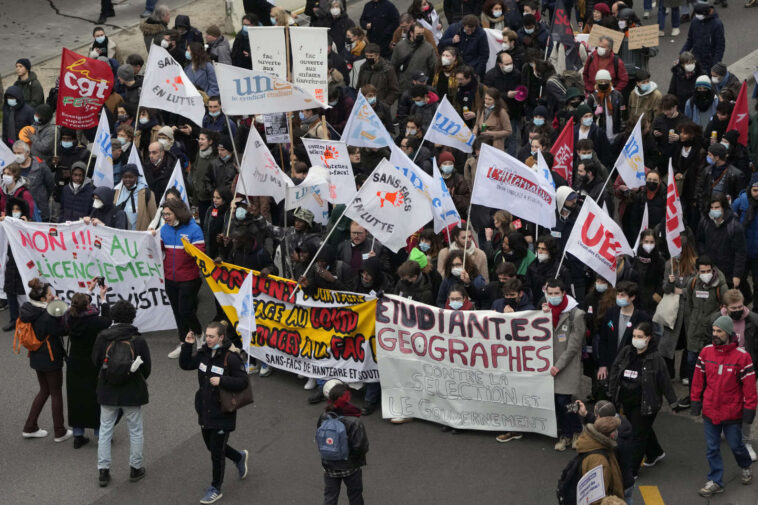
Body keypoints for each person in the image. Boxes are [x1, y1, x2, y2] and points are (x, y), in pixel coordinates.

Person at [180, 323, 249, 505]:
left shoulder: (231, 358)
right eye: (207, 336)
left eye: (211, 336)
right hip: (204, 410)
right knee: (212, 447)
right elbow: (185, 364)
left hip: (222, 412)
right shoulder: (203, 353)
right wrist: (187, 345)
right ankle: (238, 456)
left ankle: (215, 488)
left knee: (216, 453)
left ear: (221, 337)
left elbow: (243, 381)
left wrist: (222, 381)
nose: (207, 339)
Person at [691, 315, 755, 496]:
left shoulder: (742, 357)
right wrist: (695, 402)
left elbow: (750, 389)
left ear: (728, 332)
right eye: (713, 330)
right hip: (710, 410)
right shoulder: (706, 352)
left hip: (732, 412)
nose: (715, 334)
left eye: (719, 331)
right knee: (712, 448)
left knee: (736, 445)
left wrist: (749, 412)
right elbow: (697, 380)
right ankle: (715, 480)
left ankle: (745, 465)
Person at [92, 300, 151, 487]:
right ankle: (135, 468)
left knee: (105, 430)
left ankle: (103, 471)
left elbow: (95, 361)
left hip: (108, 391)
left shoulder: (103, 337)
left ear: (113, 316)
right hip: (132, 392)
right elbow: (147, 368)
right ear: (132, 316)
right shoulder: (138, 340)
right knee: (135, 431)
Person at [608, 322, 678, 477]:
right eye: (634, 336)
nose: (636, 339)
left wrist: (673, 402)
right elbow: (615, 370)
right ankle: (655, 453)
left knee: (637, 435)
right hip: (627, 401)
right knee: (642, 429)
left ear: (648, 338)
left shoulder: (655, 358)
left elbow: (664, 381)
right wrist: (611, 392)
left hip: (646, 403)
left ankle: (631, 471)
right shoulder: (627, 352)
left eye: (640, 337)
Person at [19, 278, 70, 442]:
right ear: (42, 299)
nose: (52, 296)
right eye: (50, 294)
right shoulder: (47, 315)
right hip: (50, 358)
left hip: (36, 356)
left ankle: (30, 426)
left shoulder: (28, 309)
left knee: (44, 390)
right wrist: (61, 312)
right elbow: (63, 331)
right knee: (55, 393)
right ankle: (60, 431)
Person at [64, 283, 112, 449]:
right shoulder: (94, 321)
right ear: (88, 305)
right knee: (96, 397)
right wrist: (103, 298)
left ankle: (78, 434)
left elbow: (76, 306)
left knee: (76, 398)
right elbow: (108, 320)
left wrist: (88, 291)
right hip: (92, 362)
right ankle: (100, 434)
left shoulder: (69, 317)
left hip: (75, 363)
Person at [158, 199, 205, 359]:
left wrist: (189, 248)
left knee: (186, 310)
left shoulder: (194, 229)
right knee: (177, 312)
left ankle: (199, 335)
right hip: (170, 278)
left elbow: (201, 254)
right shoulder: (164, 229)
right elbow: (158, 249)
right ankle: (184, 341)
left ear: (178, 213)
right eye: (164, 214)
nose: (165, 217)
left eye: (168, 214)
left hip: (189, 278)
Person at [680, 255, 728, 408]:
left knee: (710, 368)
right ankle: (693, 397)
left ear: (712, 269)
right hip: (694, 332)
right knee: (692, 365)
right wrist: (692, 322)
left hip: (711, 333)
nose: (706, 273)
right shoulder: (693, 283)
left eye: (708, 270)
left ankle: (709, 397)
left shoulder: (721, 285)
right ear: (697, 271)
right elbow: (690, 303)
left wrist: (712, 319)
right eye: (703, 271)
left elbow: (726, 308)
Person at [544, 278, 586, 451]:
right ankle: (566, 433)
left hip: (567, 366)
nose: (553, 297)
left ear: (563, 293)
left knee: (566, 401)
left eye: (556, 294)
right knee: (556, 402)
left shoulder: (576, 315)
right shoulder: (547, 311)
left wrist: (558, 365)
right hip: (550, 365)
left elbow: (574, 346)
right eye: (550, 293)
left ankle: (576, 430)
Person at [317, 380, 369, 505]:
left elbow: (320, 437)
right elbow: (361, 447)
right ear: (347, 398)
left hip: (329, 465)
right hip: (350, 466)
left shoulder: (324, 416)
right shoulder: (354, 421)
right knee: (355, 495)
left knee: (330, 497)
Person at [598, 281, 653, 381]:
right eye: (618, 294)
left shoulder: (642, 318)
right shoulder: (611, 313)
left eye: (622, 295)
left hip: (632, 366)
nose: (619, 297)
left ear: (632, 297)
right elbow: (603, 340)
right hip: (612, 364)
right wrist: (603, 364)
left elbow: (649, 345)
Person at [697, 194, 747, 291]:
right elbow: (700, 241)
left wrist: (737, 275)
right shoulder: (705, 222)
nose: (714, 210)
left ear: (723, 208)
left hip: (728, 273)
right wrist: (704, 257)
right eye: (711, 208)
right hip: (710, 270)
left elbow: (740, 252)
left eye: (717, 207)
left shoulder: (734, 226)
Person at [573, 415, 626, 501]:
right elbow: (596, 499)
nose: (617, 432)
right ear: (610, 434)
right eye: (614, 430)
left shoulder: (593, 443)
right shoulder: (600, 462)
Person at [681, 1, 724, 74]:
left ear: (705, 13)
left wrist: (715, 65)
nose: (697, 16)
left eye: (698, 14)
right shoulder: (695, 21)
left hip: (709, 62)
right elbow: (690, 39)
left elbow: (720, 47)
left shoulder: (717, 24)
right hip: (696, 59)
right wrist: (682, 54)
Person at [390, 22, 437, 89]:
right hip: (404, 86)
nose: (421, 36)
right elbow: (393, 65)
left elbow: (434, 67)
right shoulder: (400, 46)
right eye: (418, 34)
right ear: (411, 33)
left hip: (420, 87)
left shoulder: (428, 48)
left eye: (422, 34)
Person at [113, 164, 158, 231]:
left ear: (137, 177)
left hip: (139, 236)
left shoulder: (146, 193)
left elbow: (154, 217)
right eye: (125, 177)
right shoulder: (117, 192)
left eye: (131, 177)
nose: (127, 180)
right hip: (121, 236)